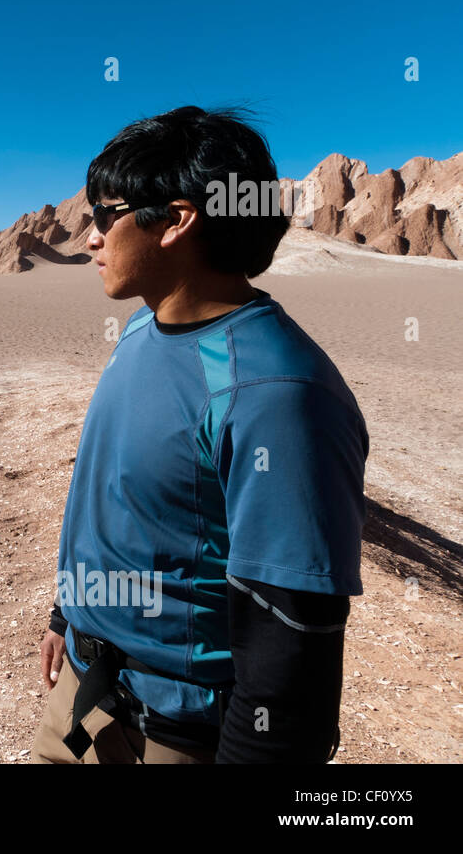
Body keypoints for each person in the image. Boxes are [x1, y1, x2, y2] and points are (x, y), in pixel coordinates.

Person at [30, 105, 368, 764]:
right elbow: (121, 507)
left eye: (104, 213)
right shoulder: (141, 330)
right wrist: (68, 620)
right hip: (83, 698)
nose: (90, 236)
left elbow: (292, 646)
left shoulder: (277, 396)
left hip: (172, 736)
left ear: (179, 219)